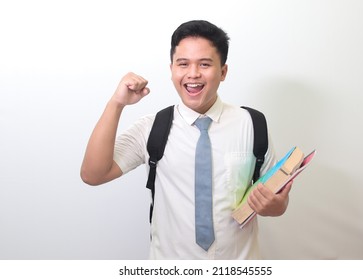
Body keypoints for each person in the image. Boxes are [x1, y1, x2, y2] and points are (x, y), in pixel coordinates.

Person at [80, 20, 292, 259]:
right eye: (183, 64)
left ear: (223, 72)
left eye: (204, 64)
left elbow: (278, 202)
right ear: (171, 69)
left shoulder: (253, 124)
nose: (193, 74)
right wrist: (116, 104)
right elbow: (93, 175)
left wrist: (274, 206)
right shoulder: (153, 128)